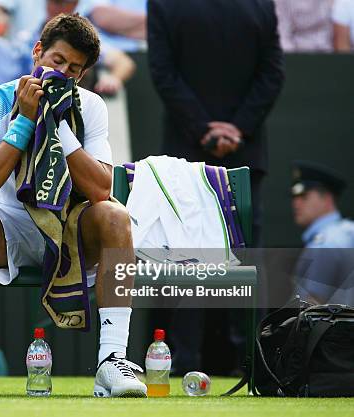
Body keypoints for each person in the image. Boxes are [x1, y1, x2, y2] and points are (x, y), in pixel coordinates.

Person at [0, 13, 147, 398]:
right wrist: (26, 123)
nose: (62, 74)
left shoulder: (91, 107)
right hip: (7, 231)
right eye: (57, 61)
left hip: (72, 231)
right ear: (37, 51)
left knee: (115, 214)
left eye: (74, 70)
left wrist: (58, 126)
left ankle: (112, 359)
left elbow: (101, 189)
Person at [146, 0, 284, 374]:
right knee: (245, 259)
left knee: (186, 256)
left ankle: (184, 359)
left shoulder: (163, 5)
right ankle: (253, 363)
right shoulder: (260, 5)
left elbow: (163, 73)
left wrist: (205, 130)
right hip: (244, 151)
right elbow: (271, 73)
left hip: (186, 154)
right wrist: (237, 128)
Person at [291, 161, 354, 305]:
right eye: (294, 198)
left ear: (327, 199)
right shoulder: (348, 231)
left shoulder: (324, 242)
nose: (296, 204)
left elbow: (313, 305)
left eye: (304, 196)